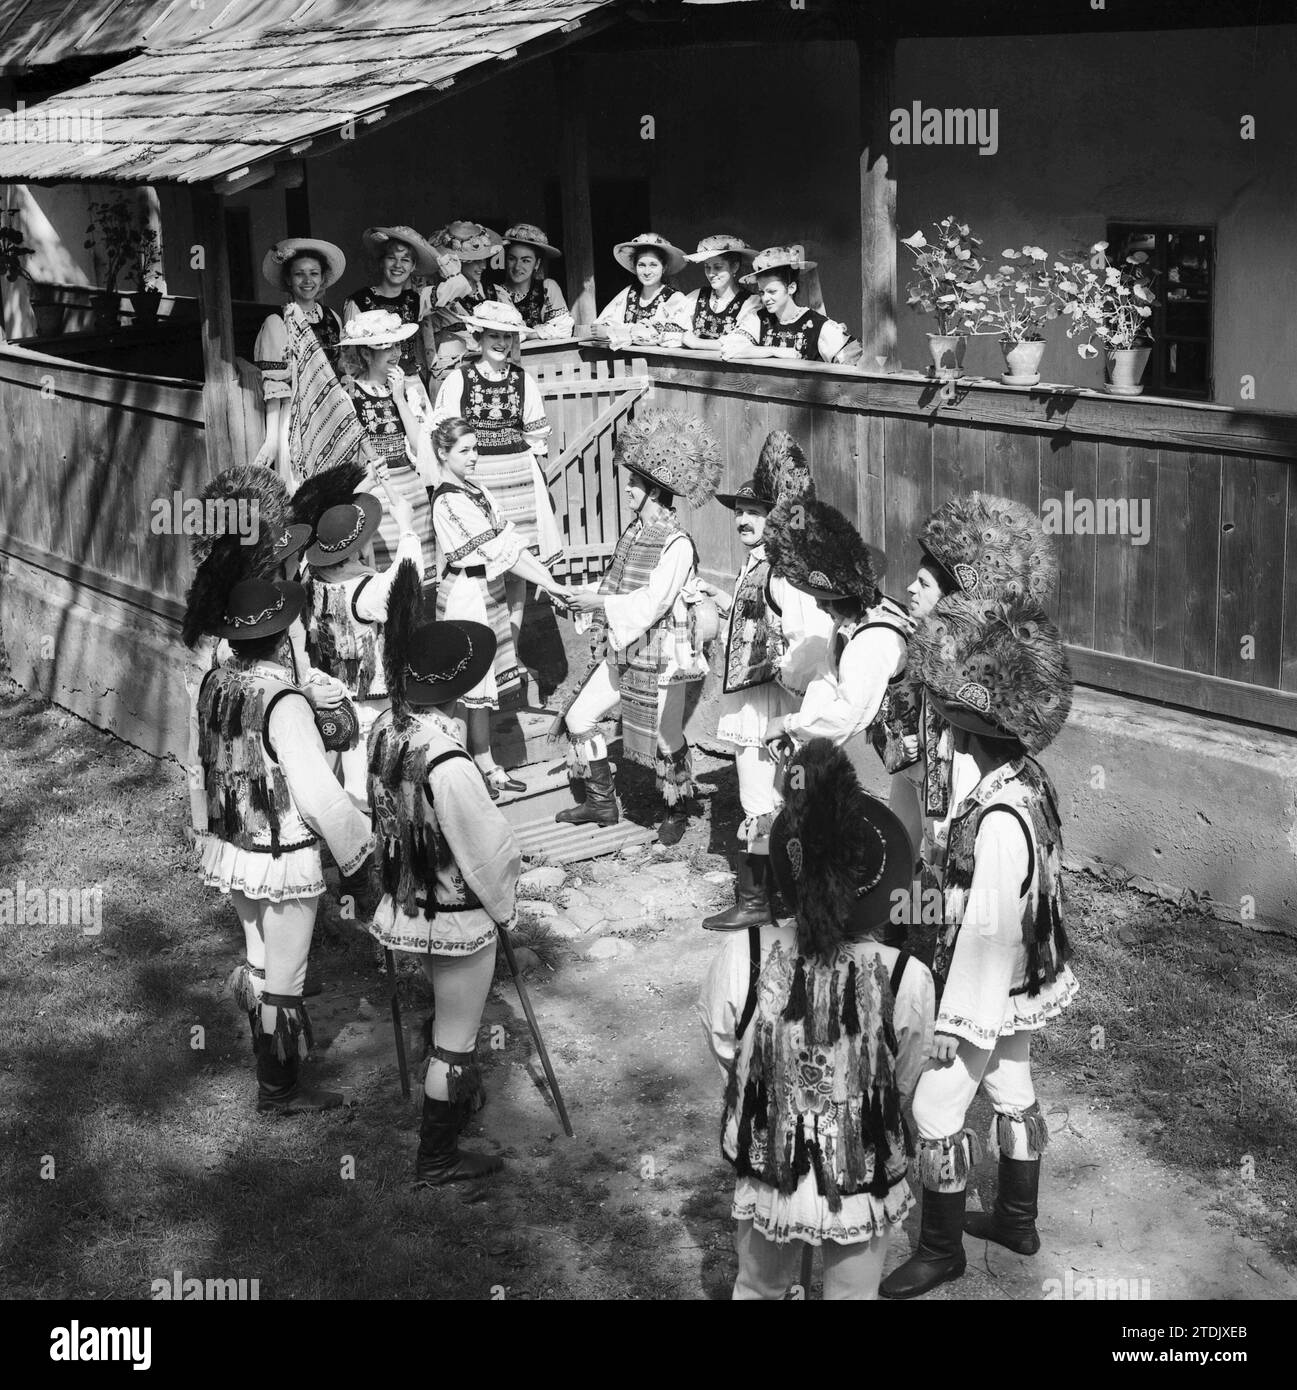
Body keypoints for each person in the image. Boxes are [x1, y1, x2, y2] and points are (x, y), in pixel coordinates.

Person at [878, 592, 1077, 1299]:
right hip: (1026, 978)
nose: (943, 740)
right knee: (1009, 1086)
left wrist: (948, 1026)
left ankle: (940, 1251)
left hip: (985, 986)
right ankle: (1017, 1221)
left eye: (952, 730)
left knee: (935, 1109)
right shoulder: (1025, 782)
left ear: (973, 736)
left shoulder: (996, 818)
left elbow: (986, 934)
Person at [697, 739, 936, 1300]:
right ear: (876, 880)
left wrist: (771, 1088)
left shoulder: (746, 954)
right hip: (862, 1169)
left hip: (769, 1161)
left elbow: (725, 1046)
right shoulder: (907, 978)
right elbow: (904, 1073)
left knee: (758, 1288)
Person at [184, 562, 374, 1114]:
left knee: (260, 959)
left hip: (234, 848)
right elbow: (317, 796)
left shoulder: (214, 685)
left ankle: (276, 1077)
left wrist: (204, 831)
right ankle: (280, 1090)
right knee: (286, 976)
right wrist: (360, 855)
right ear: (279, 637)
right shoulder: (283, 703)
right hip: (282, 854)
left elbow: (199, 764)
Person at [366, 559, 520, 1186]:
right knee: (455, 1035)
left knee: (445, 1012)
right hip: (453, 914)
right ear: (454, 693)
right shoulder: (450, 763)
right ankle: (437, 1157)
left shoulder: (385, 732)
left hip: (408, 904)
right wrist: (506, 900)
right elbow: (486, 851)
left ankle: (456, 1108)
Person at [554, 411, 720, 845]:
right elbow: (618, 586)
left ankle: (676, 805)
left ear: (654, 493)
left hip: (663, 654)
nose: (627, 488)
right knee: (579, 716)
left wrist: (599, 603)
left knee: (668, 736)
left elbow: (653, 604)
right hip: (625, 648)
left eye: (634, 484)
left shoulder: (676, 543)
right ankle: (601, 802)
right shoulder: (634, 533)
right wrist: (579, 597)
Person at [700, 430, 832, 931]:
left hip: (771, 703)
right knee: (774, 796)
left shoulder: (783, 571)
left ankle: (758, 900)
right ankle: (785, 894)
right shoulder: (758, 565)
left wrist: (784, 671)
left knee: (763, 796)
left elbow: (813, 639)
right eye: (739, 512)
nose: (743, 520)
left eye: (755, 511)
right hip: (757, 699)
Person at [429, 417, 570, 798]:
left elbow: (512, 542)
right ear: (443, 454)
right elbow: (496, 552)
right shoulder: (447, 501)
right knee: (465, 687)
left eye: (476, 448)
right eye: (465, 450)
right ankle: (460, 771)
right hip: (465, 594)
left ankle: (486, 761)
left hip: (487, 590)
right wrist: (549, 584)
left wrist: (553, 584)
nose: (474, 456)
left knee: (483, 683)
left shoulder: (478, 490)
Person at [432, 299, 563, 637]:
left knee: (517, 561)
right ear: (479, 337)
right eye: (494, 336)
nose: (502, 343)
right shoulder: (460, 379)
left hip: (517, 475)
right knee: (485, 561)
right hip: (476, 476)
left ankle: (514, 643)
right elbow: (444, 434)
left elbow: (535, 434)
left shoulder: (522, 379)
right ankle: (486, 637)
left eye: (507, 337)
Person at [302, 486, 424, 806]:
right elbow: (407, 582)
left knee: (354, 775)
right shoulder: (366, 591)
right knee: (377, 779)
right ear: (356, 549)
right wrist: (407, 528)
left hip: (338, 692)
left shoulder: (313, 580)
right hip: (373, 698)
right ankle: (375, 844)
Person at [253, 238, 364, 487]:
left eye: (313, 273)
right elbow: (276, 388)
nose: (307, 280)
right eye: (299, 274)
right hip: (297, 417)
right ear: (288, 280)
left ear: (322, 278)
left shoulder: (333, 317)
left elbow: (343, 369)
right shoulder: (278, 323)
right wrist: (272, 439)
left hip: (332, 412)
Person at [337, 309, 437, 574]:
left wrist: (400, 399)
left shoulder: (407, 390)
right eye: (385, 348)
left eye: (396, 346)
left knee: (415, 571)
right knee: (384, 574)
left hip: (409, 485)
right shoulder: (350, 394)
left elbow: (418, 447)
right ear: (366, 354)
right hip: (375, 488)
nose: (395, 354)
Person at [343, 224, 454, 383]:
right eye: (391, 258)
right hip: (372, 388)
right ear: (382, 262)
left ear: (413, 266)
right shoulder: (360, 301)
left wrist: (436, 256)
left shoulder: (417, 300)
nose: (398, 265)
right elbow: (349, 359)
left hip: (411, 385)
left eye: (405, 260)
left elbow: (460, 285)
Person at [719, 245, 862, 366]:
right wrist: (774, 351)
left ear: (791, 288)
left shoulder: (817, 325)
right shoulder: (759, 320)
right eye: (762, 292)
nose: (765, 298)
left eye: (772, 291)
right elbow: (729, 349)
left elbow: (854, 359)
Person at [426, 220, 505, 381]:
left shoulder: (495, 292)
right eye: (476, 261)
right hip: (450, 374)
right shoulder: (441, 296)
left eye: (484, 259)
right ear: (460, 262)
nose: (483, 266)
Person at [592, 233, 690, 345]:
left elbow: (666, 335)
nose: (647, 272)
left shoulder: (674, 299)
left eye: (653, 265)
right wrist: (628, 331)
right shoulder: (630, 293)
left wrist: (614, 333)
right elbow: (600, 326)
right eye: (641, 265)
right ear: (635, 267)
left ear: (664, 268)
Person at [678, 234, 761, 350]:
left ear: (734, 267)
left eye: (718, 267)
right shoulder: (697, 296)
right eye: (707, 267)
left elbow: (743, 342)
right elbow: (672, 331)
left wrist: (696, 343)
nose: (711, 273)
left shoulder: (750, 302)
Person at [492, 223, 574, 339]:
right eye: (512, 259)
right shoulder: (496, 293)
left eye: (526, 261)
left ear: (537, 264)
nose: (517, 267)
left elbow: (563, 329)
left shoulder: (548, 288)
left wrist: (528, 334)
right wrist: (541, 333)